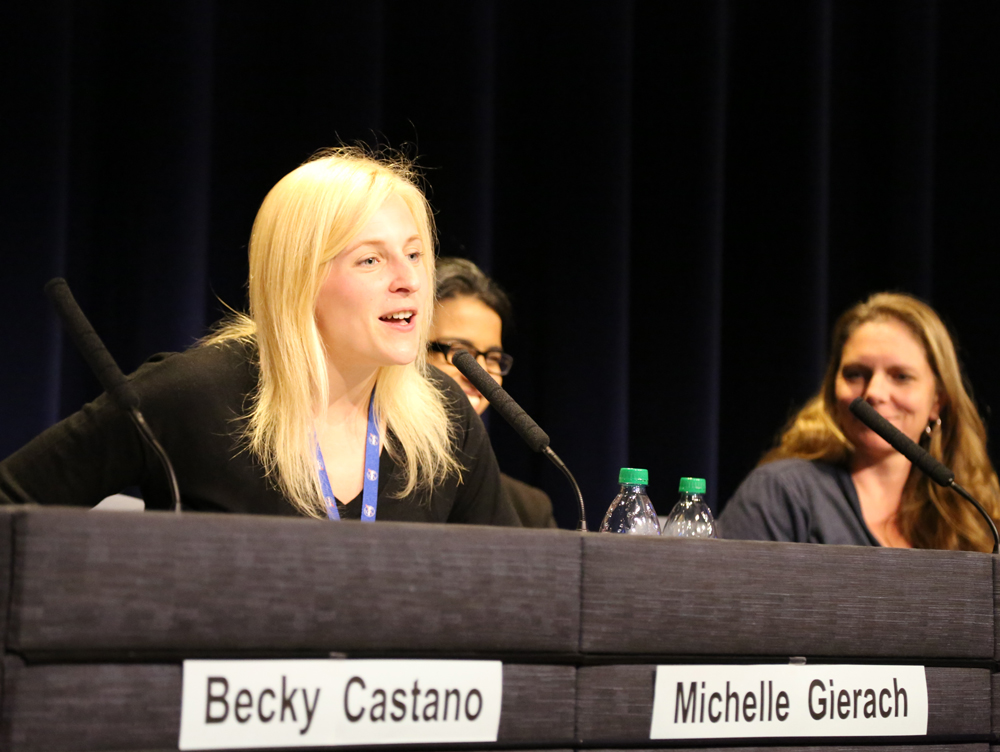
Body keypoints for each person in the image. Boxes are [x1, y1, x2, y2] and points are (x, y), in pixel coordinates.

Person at [0, 148, 519, 526]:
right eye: (370, 259)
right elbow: (13, 498)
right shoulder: (193, 396)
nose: (408, 279)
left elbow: (519, 591)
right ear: (299, 278)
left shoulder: (446, 415)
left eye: (413, 254)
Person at [720, 292, 1000, 551]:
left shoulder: (968, 517)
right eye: (855, 374)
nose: (874, 393)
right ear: (832, 391)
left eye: (901, 376)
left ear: (937, 401)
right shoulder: (783, 493)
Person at [427, 257, 557, 528]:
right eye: (461, 353)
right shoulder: (371, 477)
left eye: (493, 358)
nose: (481, 373)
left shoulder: (529, 509)